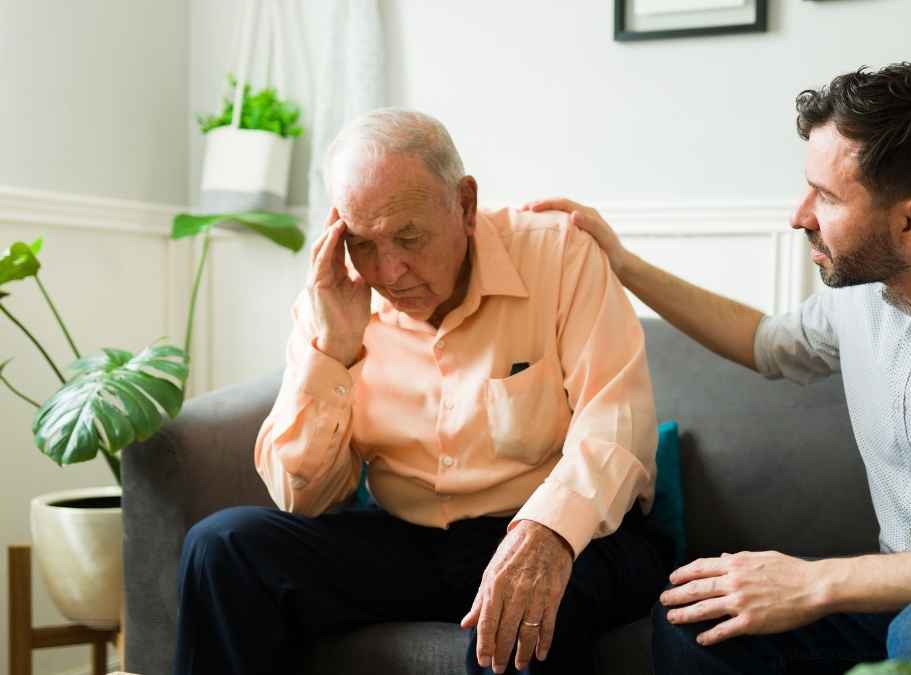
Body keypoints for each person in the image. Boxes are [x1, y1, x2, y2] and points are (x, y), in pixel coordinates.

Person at [525, 62, 911, 673]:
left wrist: (816, 583)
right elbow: (766, 343)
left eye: (826, 197)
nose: (800, 216)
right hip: (905, 598)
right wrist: (623, 264)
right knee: (699, 619)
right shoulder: (869, 288)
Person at [172, 109, 669, 675]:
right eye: (362, 243)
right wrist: (333, 351)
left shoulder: (558, 254)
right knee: (222, 547)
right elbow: (300, 498)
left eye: (408, 237)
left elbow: (616, 423)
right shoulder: (336, 297)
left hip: (566, 535)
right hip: (410, 540)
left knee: (519, 618)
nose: (389, 272)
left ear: (464, 203)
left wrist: (548, 530)